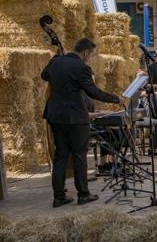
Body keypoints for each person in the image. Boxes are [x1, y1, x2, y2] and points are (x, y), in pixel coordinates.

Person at [42, 38, 120, 208]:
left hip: (55, 115)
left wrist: (58, 63)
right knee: (79, 156)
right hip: (75, 117)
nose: (89, 58)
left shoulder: (55, 61)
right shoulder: (81, 67)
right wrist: (115, 99)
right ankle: (83, 194)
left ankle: (59, 197)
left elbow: (44, 75)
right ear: (85, 52)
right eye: (90, 55)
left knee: (60, 155)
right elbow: (93, 92)